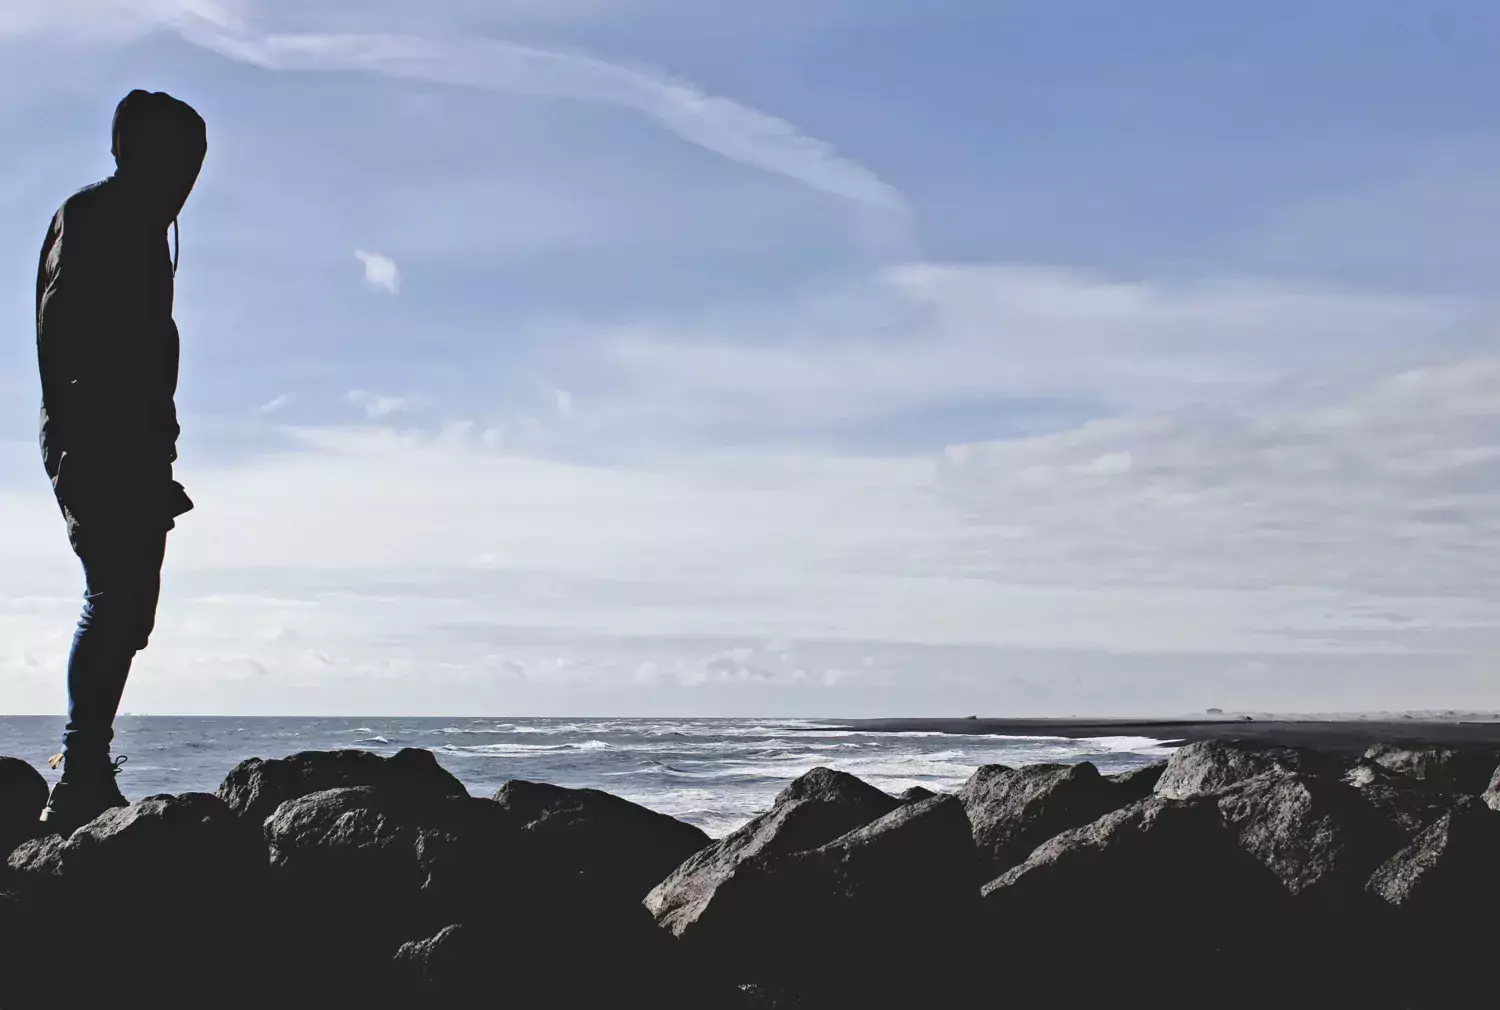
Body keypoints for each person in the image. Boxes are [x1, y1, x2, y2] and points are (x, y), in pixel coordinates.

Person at [34, 90, 206, 833]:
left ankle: (86, 764)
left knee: (132, 608)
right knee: (114, 595)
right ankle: (80, 773)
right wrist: (79, 444)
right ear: (134, 152)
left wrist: (158, 446)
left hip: (135, 444)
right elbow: (62, 338)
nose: (189, 176)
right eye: (180, 158)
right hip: (98, 441)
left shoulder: (143, 228)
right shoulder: (94, 218)